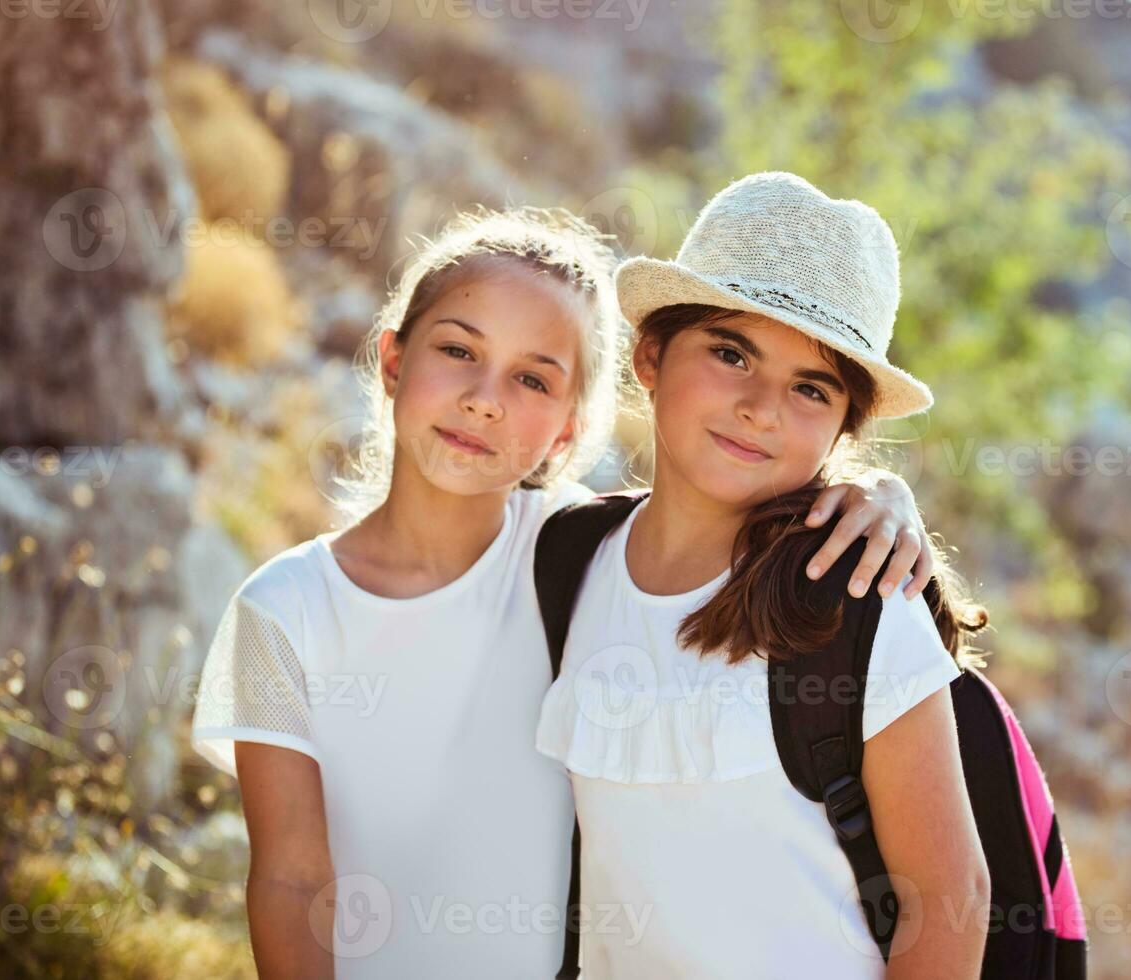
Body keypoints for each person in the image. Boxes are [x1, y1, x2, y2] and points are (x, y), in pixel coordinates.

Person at [190, 205, 939, 978]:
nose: (485, 399)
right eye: (457, 350)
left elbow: (718, 511)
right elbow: (288, 879)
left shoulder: (569, 553)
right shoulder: (283, 609)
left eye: (532, 378)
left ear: (568, 428)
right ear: (391, 360)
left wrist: (880, 494)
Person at [536, 172, 991, 978]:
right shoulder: (567, 556)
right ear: (650, 355)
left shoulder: (856, 598)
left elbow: (948, 901)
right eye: (730, 352)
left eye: (809, 388)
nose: (761, 408)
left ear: (843, 430)